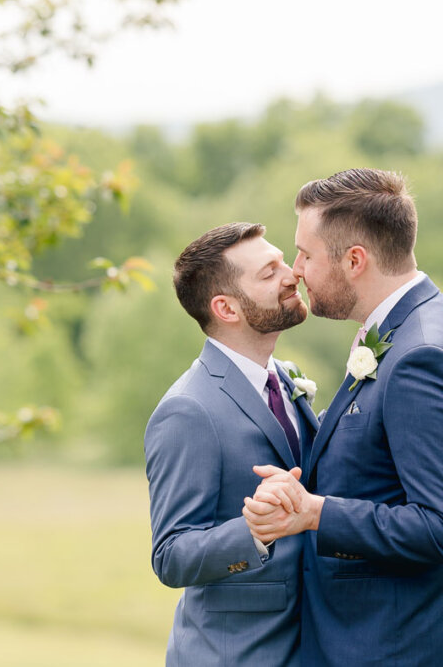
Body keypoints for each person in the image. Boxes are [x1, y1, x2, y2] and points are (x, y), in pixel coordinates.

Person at [242, 169, 443, 666]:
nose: (297, 270)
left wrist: (315, 512)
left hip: (405, 646)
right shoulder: (406, 325)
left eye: (306, 253)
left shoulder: (421, 356)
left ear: (355, 260)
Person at [145, 222, 319, 666]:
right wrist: (254, 531)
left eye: (283, 261)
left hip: (309, 644)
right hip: (236, 654)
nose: (291, 275)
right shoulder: (187, 410)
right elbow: (172, 556)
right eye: (268, 273)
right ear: (226, 308)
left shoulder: (286, 376)